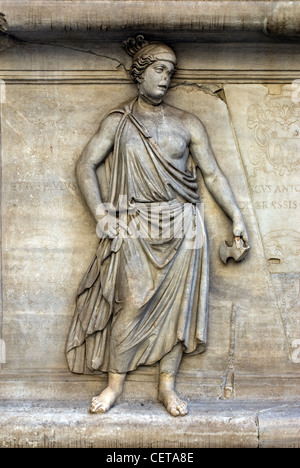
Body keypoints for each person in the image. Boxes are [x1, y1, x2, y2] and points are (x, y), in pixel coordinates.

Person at [66, 36, 249, 417]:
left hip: (184, 227)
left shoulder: (187, 123)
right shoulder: (119, 122)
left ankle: (167, 386)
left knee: (178, 308)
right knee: (131, 304)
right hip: (135, 225)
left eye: (171, 72)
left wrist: (237, 216)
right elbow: (85, 165)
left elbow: (213, 175)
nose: (166, 79)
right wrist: (102, 213)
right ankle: (115, 384)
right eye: (160, 70)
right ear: (140, 72)